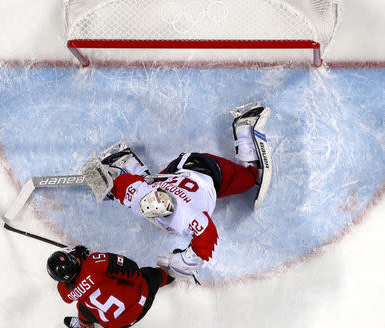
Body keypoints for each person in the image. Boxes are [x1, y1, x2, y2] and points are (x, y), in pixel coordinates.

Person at [101, 102, 272, 281]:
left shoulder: (187, 214)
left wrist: (187, 260)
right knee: (147, 183)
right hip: (179, 169)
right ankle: (123, 162)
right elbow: (126, 184)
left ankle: (246, 127)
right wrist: (112, 187)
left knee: (251, 177)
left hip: (209, 169)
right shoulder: (142, 195)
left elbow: (208, 237)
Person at [47, 245, 174, 328]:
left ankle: (85, 325)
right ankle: (173, 272)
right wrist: (80, 255)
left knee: (82, 307)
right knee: (149, 274)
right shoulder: (94, 263)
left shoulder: (64, 291)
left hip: (113, 325)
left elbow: (69, 287)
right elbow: (133, 269)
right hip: (139, 305)